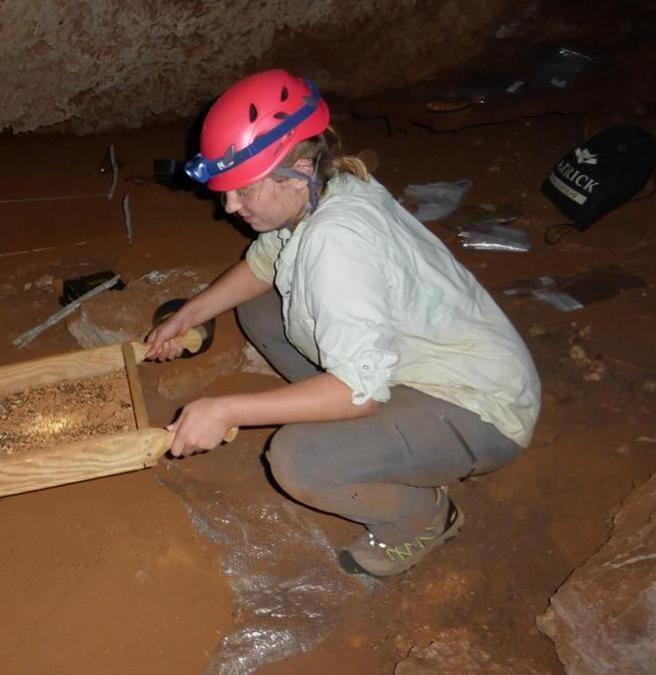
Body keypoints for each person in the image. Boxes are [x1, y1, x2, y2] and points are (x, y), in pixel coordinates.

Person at [146, 70, 540, 577]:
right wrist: (190, 314)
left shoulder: (337, 244)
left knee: (299, 459)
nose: (229, 207)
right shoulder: (326, 189)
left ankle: (424, 518)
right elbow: (266, 264)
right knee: (262, 308)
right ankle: (359, 429)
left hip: (479, 408)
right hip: (413, 365)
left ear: (299, 169)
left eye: (243, 191)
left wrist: (225, 409)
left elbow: (361, 390)